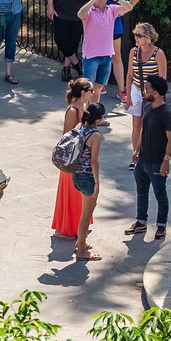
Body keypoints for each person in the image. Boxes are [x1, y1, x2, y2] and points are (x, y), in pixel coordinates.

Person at [124, 75, 171, 242]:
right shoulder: (147, 107)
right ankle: (141, 222)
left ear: (156, 92)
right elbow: (143, 130)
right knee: (141, 192)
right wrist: (136, 149)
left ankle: (161, 225)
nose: (144, 92)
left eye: (147, 89)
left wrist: (166, 160)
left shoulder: (166, 113)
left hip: (157, 162)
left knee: (160, 194)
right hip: (143, 160)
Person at [86, 0, 141, 102]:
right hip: (96, 24)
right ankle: (100, 84)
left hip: (112, 22)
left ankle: (121, 89)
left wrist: (123, 9)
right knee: (97, 54)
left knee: (115, 56)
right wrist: (92, 2)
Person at [51, 78, 95, 240]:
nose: (94, 93)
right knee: (73, 193)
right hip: (74, 160)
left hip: (82, 159)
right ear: (83, 93)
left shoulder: (83, 107)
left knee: (80, 194)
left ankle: (79, 225)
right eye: (91, 90)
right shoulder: (72, 111)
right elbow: (67, 137)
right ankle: (69, 228)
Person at [77, 0, 133, 104]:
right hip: (91, 57)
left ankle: (94, 112)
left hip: (106, 56)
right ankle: (83, 113)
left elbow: (129, 7)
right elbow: (80, 14)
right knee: (87, 89)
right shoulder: (89, 12)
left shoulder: (111, 10)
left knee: (98, 87)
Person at [124, 23, 168, 170]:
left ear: (148, 38)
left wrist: (155, 96)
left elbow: (162, 78)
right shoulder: (133, 52)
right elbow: (130, 74)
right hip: (137, 91)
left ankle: (151, 155)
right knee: (136, 125)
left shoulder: (158, 54)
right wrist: (128, 95)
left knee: (150, 126)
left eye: (139, 35)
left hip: (151, 94)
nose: (136, 38)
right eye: (135, 34)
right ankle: (136, 156)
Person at [71, 102, 107, 261]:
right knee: (86, 214)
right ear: (98, 119)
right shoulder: (95, 135)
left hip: (76, 175)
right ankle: (81, 251)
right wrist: (97, 182)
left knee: (84, 212)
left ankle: (82, 243)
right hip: (87, 177)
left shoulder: (80, 127)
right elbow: (94, 162)